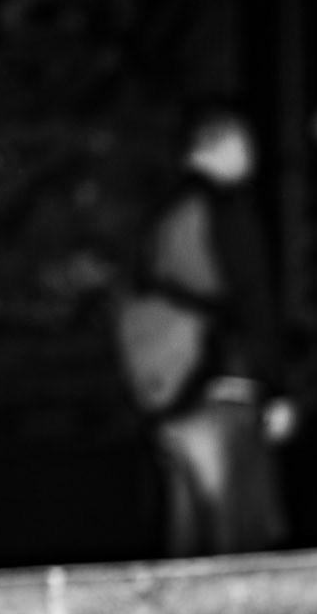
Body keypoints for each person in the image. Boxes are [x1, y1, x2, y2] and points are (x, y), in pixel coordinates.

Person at [123, 107, 295, 556]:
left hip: (168, 391)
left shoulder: (161, 218)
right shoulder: (227, 210)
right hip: (226, 386)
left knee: (185, 535)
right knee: (237, 537)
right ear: (223, 147)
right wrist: (277, 387)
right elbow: (254, 300)